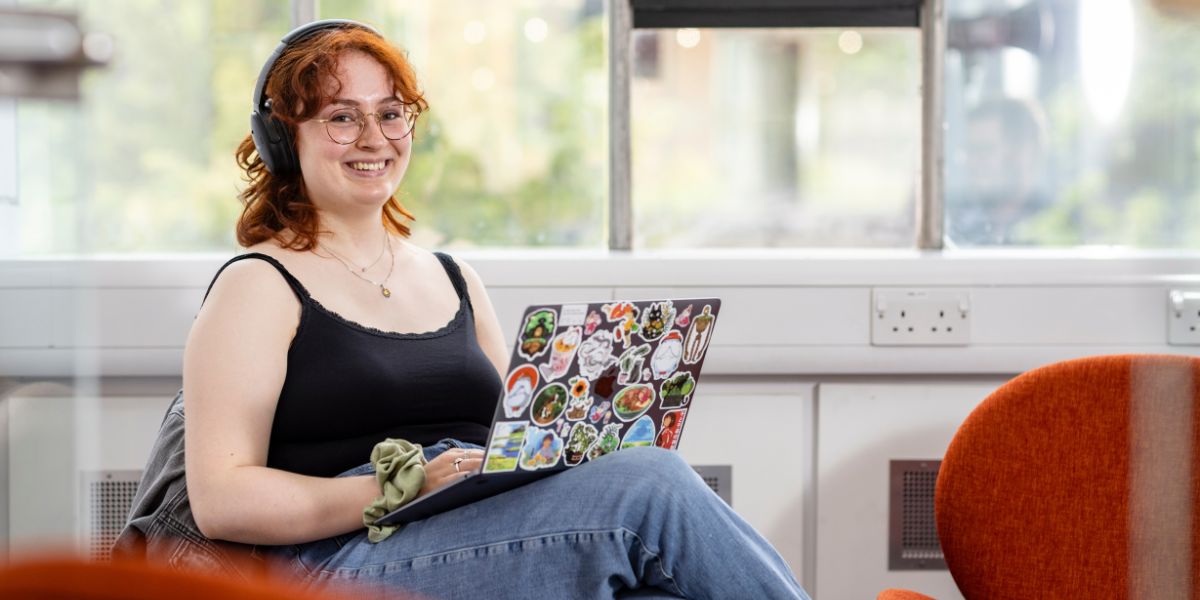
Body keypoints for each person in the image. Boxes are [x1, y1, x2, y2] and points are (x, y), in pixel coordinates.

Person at [127, 19, 809, 600]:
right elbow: (222, 501)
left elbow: (516, 445)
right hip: (335, 559)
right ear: (284, 139)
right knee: (653, 488)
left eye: (390, 112)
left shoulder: (455, 279)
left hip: (466, 529)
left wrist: (579, 437)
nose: (374, 137)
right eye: (342, 117)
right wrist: (402, 487)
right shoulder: (258, 285)